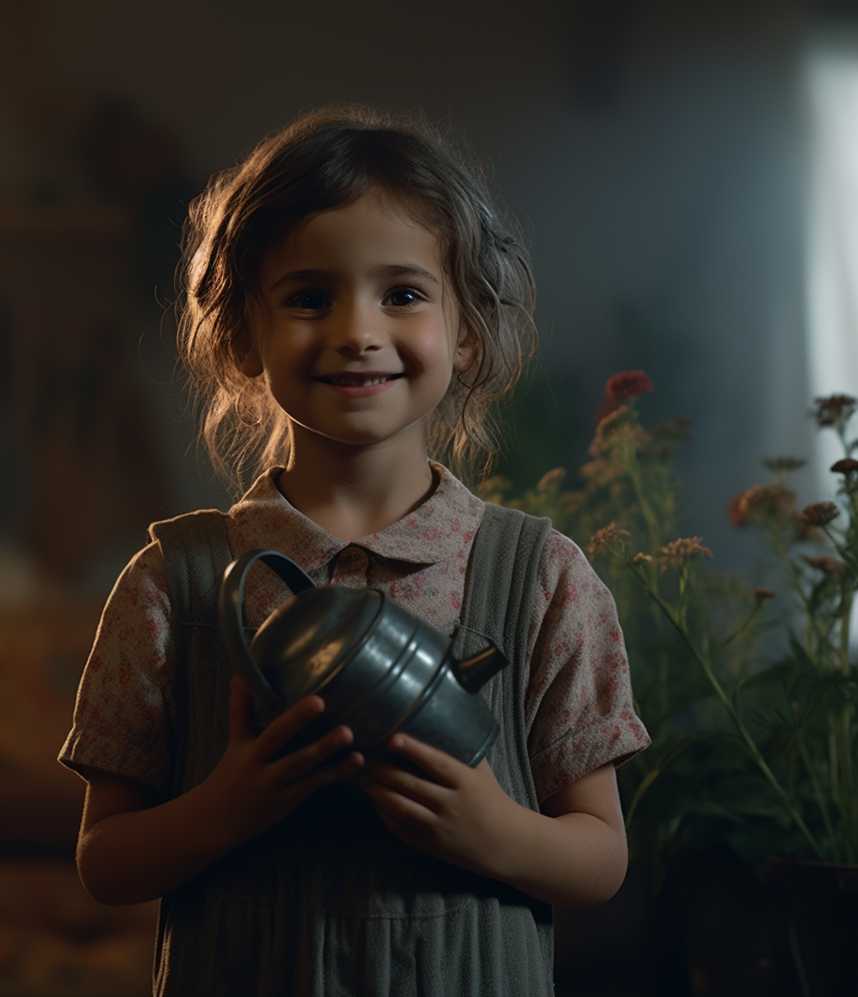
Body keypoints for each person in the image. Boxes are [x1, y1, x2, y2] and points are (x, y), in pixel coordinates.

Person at [59, 105, 650, 996]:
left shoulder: (544, 580)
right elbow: (105, 864)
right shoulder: (171, 587)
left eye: (403, 293)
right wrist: (228, 808)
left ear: (468, 330)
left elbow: (601, 860)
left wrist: (492, 830)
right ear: (240, 336)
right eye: (307, 297)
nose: (356, 330)